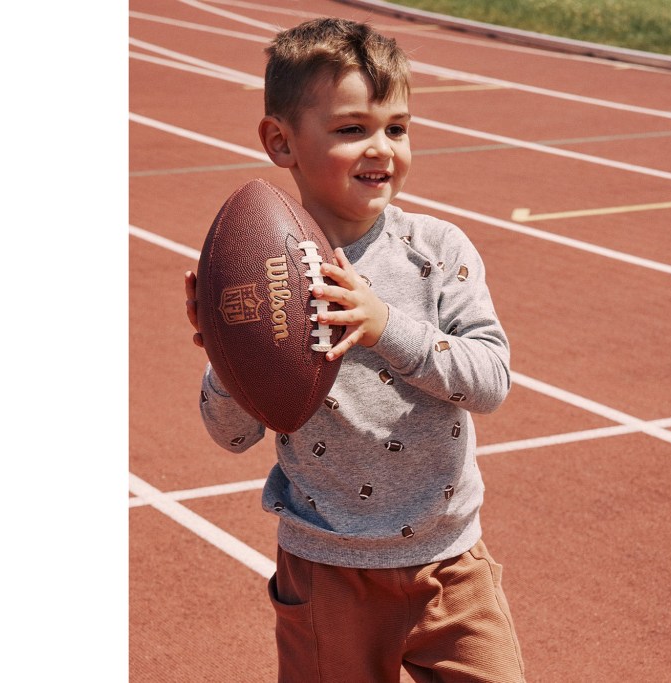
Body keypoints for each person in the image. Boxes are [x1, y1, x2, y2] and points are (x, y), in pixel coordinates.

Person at [183, 17, 525, 682]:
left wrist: (384, 325)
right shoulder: (258, 275)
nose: (382, 148)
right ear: (281, 141)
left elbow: (491, 379)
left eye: (396, 127)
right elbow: (229, 435)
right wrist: (233, 358)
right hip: (326, 570)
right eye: (351, 129)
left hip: (450, 562)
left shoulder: (437, 251)